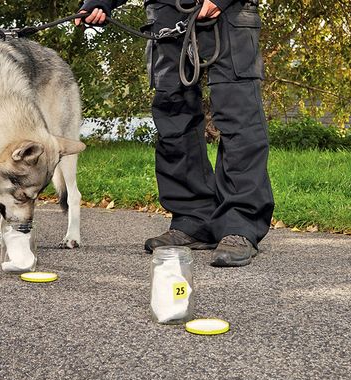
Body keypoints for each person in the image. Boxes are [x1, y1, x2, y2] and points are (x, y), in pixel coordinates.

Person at [76, 0, 274, 267]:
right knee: (173, 116)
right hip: (167, 12)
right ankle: (193, 219)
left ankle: (240, 224)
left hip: (230, 12)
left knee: (239, 116)